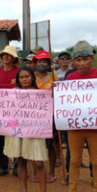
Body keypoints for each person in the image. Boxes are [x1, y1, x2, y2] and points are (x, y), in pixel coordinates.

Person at [59, 40, 97, 192]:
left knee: (96, 161)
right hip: (75, 127)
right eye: (78, 60)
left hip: (95, 128)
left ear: (92, 59)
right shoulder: (70, 78)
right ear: (74, 61)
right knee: (74, 160)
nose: (82, 63)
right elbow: (65, 100)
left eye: (85, 59)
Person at [3, 66, 52, 192]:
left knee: (38, 163)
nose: (24, 79)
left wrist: (54, 93)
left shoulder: (40, 94)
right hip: (16, 131)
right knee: (21, 161)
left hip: (34, 132)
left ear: (32, 77)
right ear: (18, 79)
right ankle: (23, 191)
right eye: (21, 77)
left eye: (27, 76)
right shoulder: (12, 93)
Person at [0, 45, 20, 177]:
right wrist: (10, 86)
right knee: (0, 138)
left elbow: (20, 86)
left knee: (16, 136)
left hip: (15, 112)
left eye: (9, 55)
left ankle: (18, 165)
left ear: (13, 58)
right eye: (4, 55)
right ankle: (3, 166)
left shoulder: (19, 71)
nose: (5, 57)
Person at [31, 50, 59, 183]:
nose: (41, 64)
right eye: (39, 61)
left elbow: (60, 97)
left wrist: (56, 90)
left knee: (50, 145)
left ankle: (52, 171)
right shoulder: (30, 77)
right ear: (35, 63)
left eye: (44, 61)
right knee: (34, 144)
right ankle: (37, 169)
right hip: (32, 117)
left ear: (48, 64)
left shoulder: (55, 78)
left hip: (50, 116)